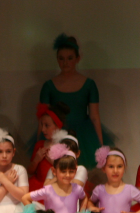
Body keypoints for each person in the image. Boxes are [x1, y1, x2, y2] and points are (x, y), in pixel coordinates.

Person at [39, 34, 107, 168]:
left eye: (70, 58)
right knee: (59, 169)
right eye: (61, 58)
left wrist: (100, 146)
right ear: (57, 60)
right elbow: (43, 118)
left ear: (77, 59)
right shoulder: (48, 86)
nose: (65, 63)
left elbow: (94, 117)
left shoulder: (89, 85)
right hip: (57, 133)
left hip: (84, 135)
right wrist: (39, 142)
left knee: (80, 170)